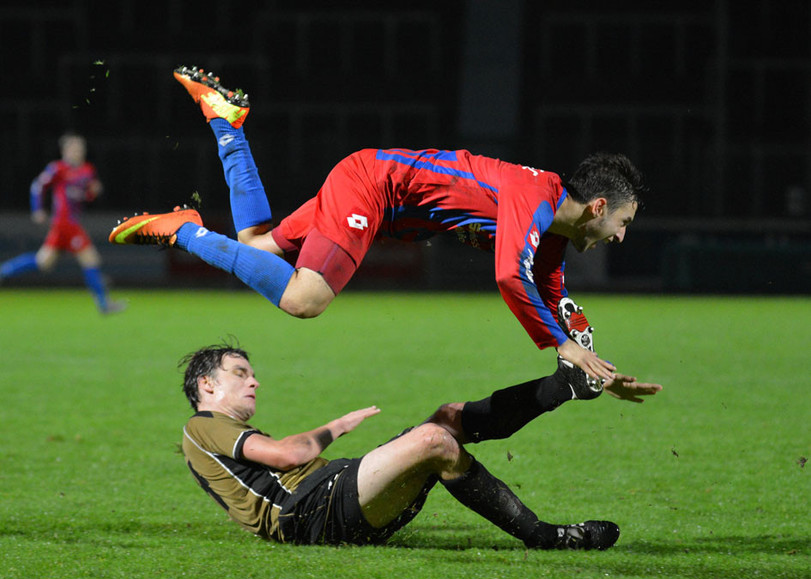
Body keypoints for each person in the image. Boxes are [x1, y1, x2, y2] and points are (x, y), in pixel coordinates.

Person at [110, 66, 662, 405]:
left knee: (255, 245)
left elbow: (551, 297)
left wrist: (595, 370)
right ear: (597, 207)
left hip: (374, 191)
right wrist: (561, 345)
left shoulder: (553, 235)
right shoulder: (534, 196)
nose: (620, 237)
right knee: (304, 299)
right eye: (623, 223)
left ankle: (226, 124)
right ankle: (185, 231)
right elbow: (508, 276)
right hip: (371, 188)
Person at [180, 342, 623, 549]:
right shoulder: (201, 426)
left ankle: (563, 385)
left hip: (328, 498)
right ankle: (544, 536)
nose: (254, 381)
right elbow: (288, 456)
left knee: (447, 417)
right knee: (434, 440)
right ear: (207, 385)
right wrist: (338, 425)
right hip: (309, 513)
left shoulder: (216, 432)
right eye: (240, 373)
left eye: (252, 373)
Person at [1, 132, 126, 314]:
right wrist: (37, 209)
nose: (78, 152)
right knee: (90, 259)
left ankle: (3, 271)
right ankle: (104, 304)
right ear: (65, 151)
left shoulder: (87, 170)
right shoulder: (57, 169)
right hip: (65, 223)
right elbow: (38, 186)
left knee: (44, 262)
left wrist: (93, 192)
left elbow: (86, 196)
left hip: (69, 223)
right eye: (74, 149)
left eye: (80, 148)